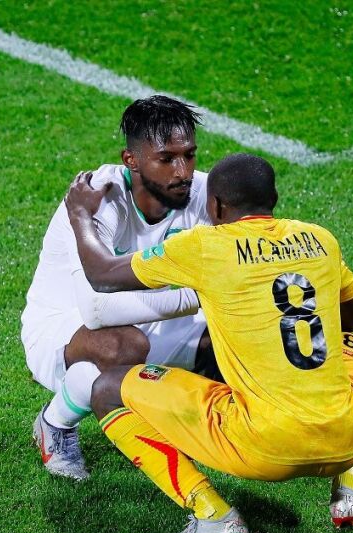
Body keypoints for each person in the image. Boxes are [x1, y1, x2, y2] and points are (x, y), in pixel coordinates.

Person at [64, 153, 353, 533]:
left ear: (215, 206)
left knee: (108, 389)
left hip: (264, 447)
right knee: (352, 348)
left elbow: (103, 275)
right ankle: (348, 489)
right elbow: (351, 320)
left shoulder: (205, 246)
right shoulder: (320, 239)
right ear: (273, 198)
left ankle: (213, 515)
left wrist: (80, 215)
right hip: (346, 440)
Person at [21, 95, 217, 480]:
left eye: (189, 155)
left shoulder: (205, 193)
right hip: (67, 330)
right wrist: (196, 297)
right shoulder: (96, 199)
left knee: (234, 330)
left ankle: (193, 424)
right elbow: (97, 310)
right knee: (123, 346)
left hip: (152, 317)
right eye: (166, 159)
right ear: (131, 160)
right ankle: (55, 423)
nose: (183, 171)